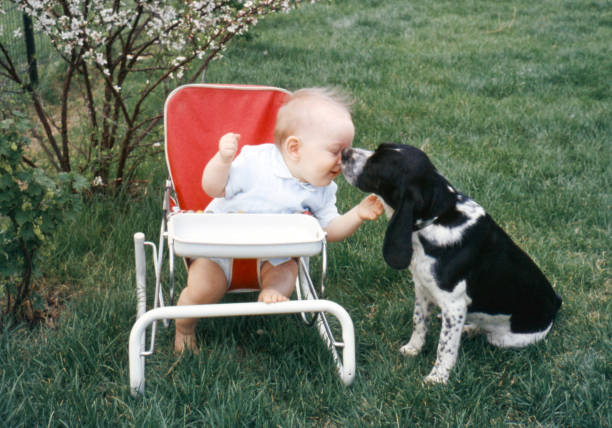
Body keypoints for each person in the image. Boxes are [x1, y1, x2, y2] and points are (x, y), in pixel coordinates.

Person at [175, 87, 383, 353]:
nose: (343, 163)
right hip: (220, 242)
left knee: (286, 269)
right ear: (295, 148)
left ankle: (273, 289)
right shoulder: (255, 162)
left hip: (274, 250)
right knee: (204, 289)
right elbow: (214, 188)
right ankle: (184, 327)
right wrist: (223, 161)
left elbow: (329, 230)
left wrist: (356, 214)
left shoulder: (322, 189)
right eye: (336, 152)